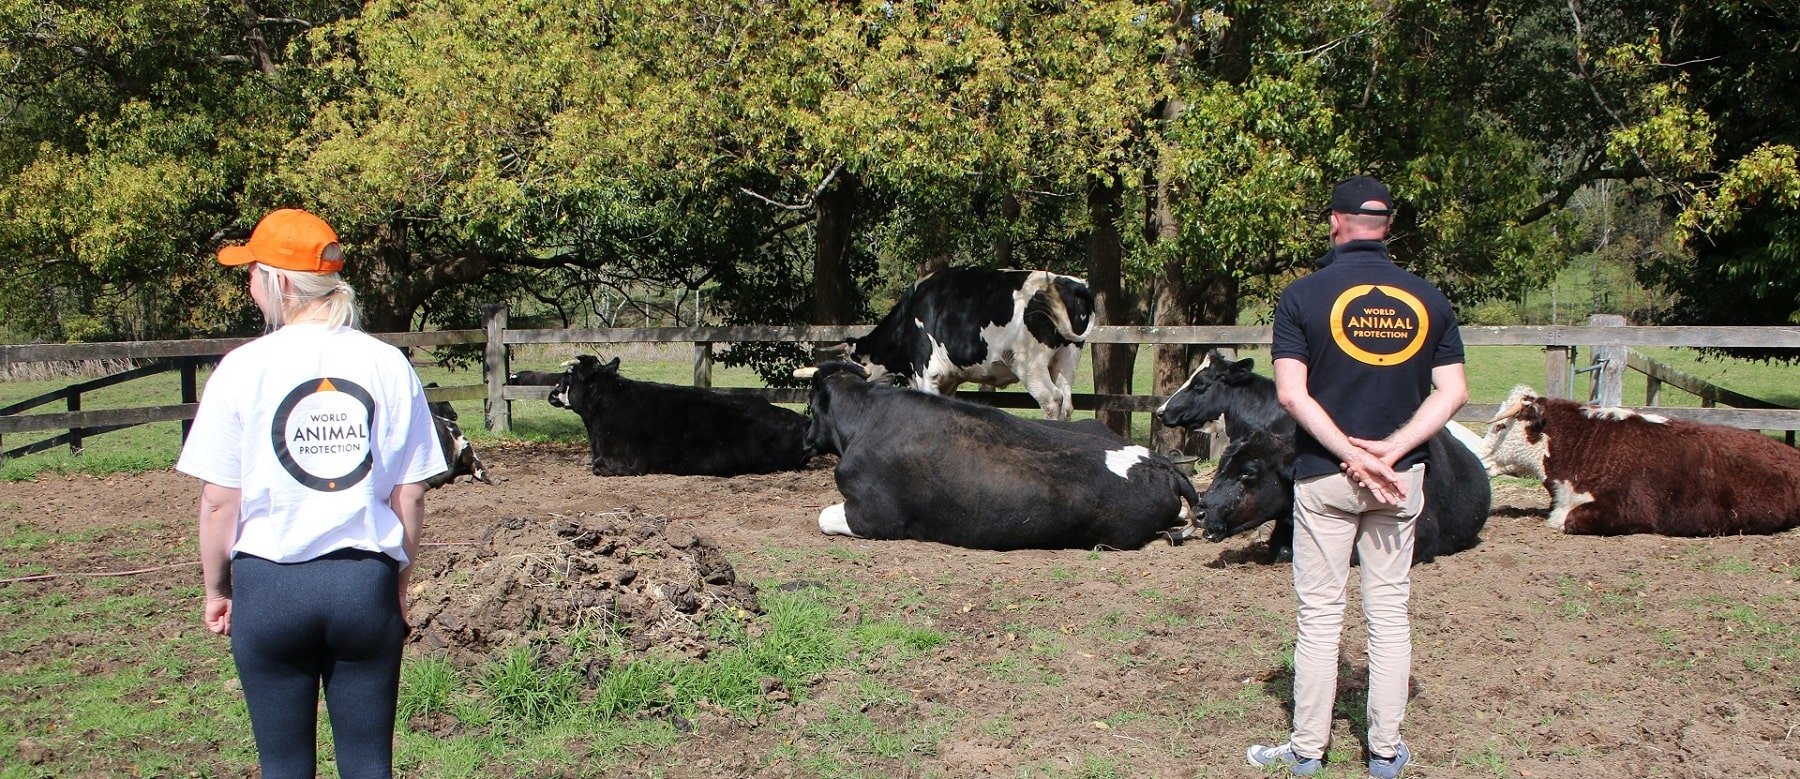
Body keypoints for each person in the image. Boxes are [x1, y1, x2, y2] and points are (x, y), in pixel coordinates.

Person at [176, 208, 447, 779]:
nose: (247, 284)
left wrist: (216, 590)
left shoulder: (240, 368)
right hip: (362, 585)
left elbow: (219, 503)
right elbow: (413, 493)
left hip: (270, 588)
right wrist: (398, 580)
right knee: (369, 764)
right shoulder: (387, 364)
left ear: (278, 281)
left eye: (251, 271)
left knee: (283, 767)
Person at [1246, 176, 1468, 778]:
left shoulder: (1301, 297)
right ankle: (1386, 752)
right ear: (1387, 226)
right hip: (1401, 479)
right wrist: (1389, 451)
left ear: (1336, 223)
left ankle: (1307, 750)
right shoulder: (1429, 299)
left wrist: (1350, 452)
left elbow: (1292, 395)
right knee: (1389, 614)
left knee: (1320, 616)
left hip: (1325, 475)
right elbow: (1454, 393)